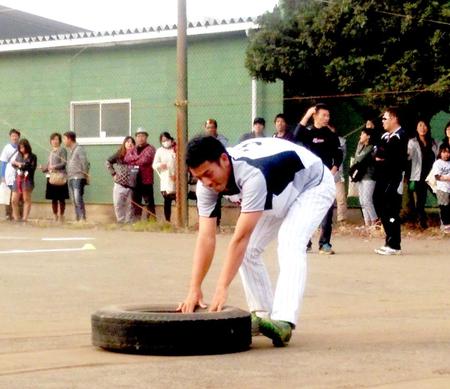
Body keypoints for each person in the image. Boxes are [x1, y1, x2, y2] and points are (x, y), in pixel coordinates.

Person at [178, 136, 335, 347]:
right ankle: (262, 315)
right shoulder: (205, 186)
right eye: (198, 177)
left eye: (208, 174)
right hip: (278, 190)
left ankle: (284, 320)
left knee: (290, 241)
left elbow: (239, 238)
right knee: (249, 251)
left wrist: (222, 287)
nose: (207, 182)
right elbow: (206, 237)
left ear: (224, 159)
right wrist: (194, 288)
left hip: (312, 184)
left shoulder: (252, 174)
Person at [294, 104, 343, 254]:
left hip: (326, 178)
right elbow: (295, 136)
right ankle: (305, 242)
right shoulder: (308, 132)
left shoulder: (331, 135)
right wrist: (307, 114)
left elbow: (338, 156)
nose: (326, 118)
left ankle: (325, 243)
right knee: (306, 211)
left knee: (327, 211)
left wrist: (331, 172)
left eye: (328, 116)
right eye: (323, 115)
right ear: (315, 115)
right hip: (308, 179)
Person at [373, 107, 408, 255]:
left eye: (385, 118)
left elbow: (392, 157)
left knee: (391, 209)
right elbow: (376, 154)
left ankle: (394, 244)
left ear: (394, 118)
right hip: (381, 177)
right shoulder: (384, 136)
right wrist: (380, 155)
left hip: (393, 178)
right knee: (379, 203)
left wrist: (382, 155)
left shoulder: (400, 136)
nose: (383, 121)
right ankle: (389, 239)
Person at [407, 120, 438, 228]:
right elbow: (408, 155)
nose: (422, 128)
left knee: (441, 195)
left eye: (424, 125)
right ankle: (422, 223)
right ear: (416, 128)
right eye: (420, 125)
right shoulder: (412, 142)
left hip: (432, 176)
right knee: (420, 201)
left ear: (428, 128)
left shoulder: (434, 142)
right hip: (418, 175)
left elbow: (439, 155)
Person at [124, 128, 156, 221]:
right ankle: (136, 221)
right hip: (134, 180)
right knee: (135, 202)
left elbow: (145, 160)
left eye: (143, 136)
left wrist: (134, 160)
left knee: (149, 202)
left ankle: (151, 221)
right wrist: (137, 159)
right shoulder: (133, 149)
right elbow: (126, 159)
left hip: (146, 180)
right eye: (138, 136)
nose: (140, 138)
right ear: (136, 138)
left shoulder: (151, 149)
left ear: (146, 137)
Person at [350, 127, 378, 227]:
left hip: (369, 176)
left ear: (368, 136)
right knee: (362, 201)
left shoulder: (371, 147)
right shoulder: (361, 146)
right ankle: (367, 224)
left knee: (367, 200)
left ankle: (375, 221)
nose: (360, 136)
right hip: (360, 176)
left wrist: (360, 147)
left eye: (362, 134)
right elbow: (357, 156)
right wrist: (360, 143)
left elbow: (360, 158)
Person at [106, 136, 136, 223]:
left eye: (132, 142)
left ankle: (129, 223)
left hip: (131, 186)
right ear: (124, 144)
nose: (130, 144)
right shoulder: (119, 154)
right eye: (128, 142)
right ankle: (120, 221)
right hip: (119, 184)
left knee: (130, 206)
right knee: (118, 204)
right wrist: (113, 173)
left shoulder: (136, 155)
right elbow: (108, 162)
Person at [204, 119, 227, 228]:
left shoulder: (222, 140)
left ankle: (217, 223)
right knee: (205, 198)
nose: (210, 130)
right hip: (206, 173)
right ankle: (206, 223)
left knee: (217, 198)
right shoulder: (202, 141)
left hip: (218, 173)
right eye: (208, 127)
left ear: (216, 128)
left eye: (212, 127)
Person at [41, 133, 69, 222]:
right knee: (53, 198)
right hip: (51, 177)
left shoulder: (62, 150)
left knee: (61, 198)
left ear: (60, 141)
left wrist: (54, 167)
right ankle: (55, 216)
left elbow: (64, 163)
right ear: (50, 141)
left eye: (56, 139)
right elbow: (49, 165)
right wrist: (43, 168)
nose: (54, 141)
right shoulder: (51, 151)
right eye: (53, 139)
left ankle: (61, 216)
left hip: (60, 177)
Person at [64, 131, 89, 222]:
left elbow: (84, 163)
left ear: (70, 139)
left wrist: (85, 174)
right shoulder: (70, 150)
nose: (64, 141)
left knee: (78, 198)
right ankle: (77, 218)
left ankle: (82, 218)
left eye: (65, 139)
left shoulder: (79, 149)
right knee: (73, 199)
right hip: (70, 177)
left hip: (78, 177)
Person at [152, 132, 176, 222]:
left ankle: (180, 220)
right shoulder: (159, 151)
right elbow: (154, 165)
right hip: (166, 178)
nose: (166, 142)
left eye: (167, 139)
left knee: (179, 199)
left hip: (176, 177)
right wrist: (160, 165)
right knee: (167, 201)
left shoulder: (175, 149)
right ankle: (167, 220)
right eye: (163, 140)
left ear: (171, 139)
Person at [11, 139, 37, 222]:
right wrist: (18, 164)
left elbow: (31, 168)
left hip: (27, 179)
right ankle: (16, 218)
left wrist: (19, 164)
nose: (21, 149)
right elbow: (13, 164)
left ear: (27, 147)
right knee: (14, 200)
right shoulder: (18, 155)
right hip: (18, 179)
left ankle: (24, 219)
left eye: (23, 147)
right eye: (20, 147)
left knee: (26, 199)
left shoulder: (32, 156)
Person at [0, 129, 20, 220]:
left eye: (16, 136)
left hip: (19, 174)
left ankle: (18, 215)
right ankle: (8, 215)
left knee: (19, 195)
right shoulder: (7, 147)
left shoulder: (21, 147)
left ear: (19, 137)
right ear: (10, 137)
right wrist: (2, 176)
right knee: (8, 195)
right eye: (13, 136)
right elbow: (3, 162)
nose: (14, 137)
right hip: (8, 174)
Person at [329, 124, 347, 223]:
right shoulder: (321, 140)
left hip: (337, 174)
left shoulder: (341, 141)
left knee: (340, 198)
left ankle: (342, 220)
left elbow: (341, 157)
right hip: (325, 175)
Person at [432, 143, 450, 233]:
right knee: (444, 207)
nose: (446, 154)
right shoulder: (437, 163)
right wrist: (446, 178)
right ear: (440, 152)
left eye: (448, 152)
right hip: (442, 189)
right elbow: (437, 176)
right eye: (444, 152)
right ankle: (445, 225)